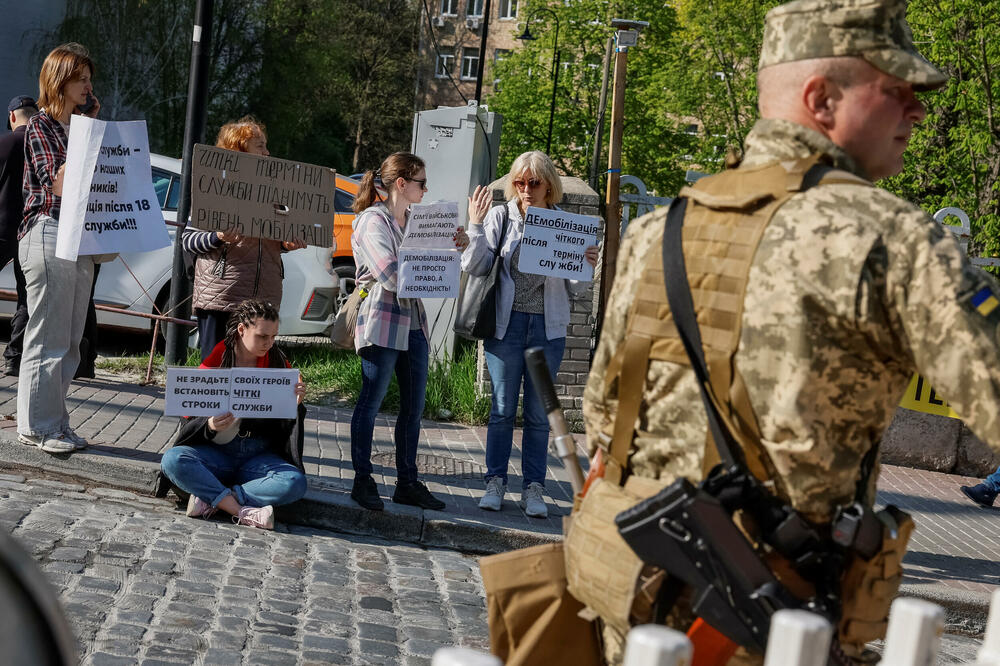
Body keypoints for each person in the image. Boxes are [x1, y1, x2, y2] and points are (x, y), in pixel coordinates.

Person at [582, 0, 1000, 662]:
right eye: (897, 90)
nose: (918, 111)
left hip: (630, 612)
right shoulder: (891, 240)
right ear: (821, 99)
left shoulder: (653, 231)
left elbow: (605, 427)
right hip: (774, 632)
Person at [462, 151, 599, 518]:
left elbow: (576, 290)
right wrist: (475, 227)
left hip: (547, 328)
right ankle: (495, 482)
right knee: (503, 409)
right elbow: (476, 267)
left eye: (534, 182)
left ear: (549, 185)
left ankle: (534, 488)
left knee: (539, 414)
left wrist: (586, 267)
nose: (526, 189)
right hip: (506, 327)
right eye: (520, 182)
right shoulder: (500, 216)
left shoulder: (563, 224)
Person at [349, 151, 468, 512]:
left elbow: (437, 266)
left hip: (413, 322)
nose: (426, 189)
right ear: (401, 183)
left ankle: (408, 482)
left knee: (414, 408)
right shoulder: (374, 221)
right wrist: (431, 268)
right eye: (421, 182)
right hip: (382, 321)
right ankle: (362, 479)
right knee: (371, 402)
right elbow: (389, 275)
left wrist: (455, 247)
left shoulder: (418, 220)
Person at [17, 43, 101, 454]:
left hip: (80, 238)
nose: (88, 86)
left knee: (70, 338)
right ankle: (36, 426)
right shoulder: (42, 127)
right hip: (48, 230)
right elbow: (59, 184)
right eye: (81, 79)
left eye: (89, 79)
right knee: (47, 335)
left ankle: (56, 421)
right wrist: (86, 136)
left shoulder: (76, 126)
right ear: (61, 81)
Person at [159, 299, 308, 531]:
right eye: (262, 336)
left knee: (295, 482)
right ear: (241, 329)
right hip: (216, 454)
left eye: (273, 337)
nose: (269, 343)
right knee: (173, 460)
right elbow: (189, 416)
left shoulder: (278, 363)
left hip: (258, 456)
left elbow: (284, 430)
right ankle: (241, 510)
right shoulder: (217, 358)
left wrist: (295, 405)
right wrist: (209, 425)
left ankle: (213, 498)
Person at [182, 116, 306, 361]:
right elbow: (188, 240)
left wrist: (286, 244)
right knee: (216, 369)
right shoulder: (214, 188)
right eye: (260, 146)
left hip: (262, 300)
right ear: (238, 150)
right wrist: (217, 237)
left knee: (251, 371)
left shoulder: (275, 192)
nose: (267, 152)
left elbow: (273, 240)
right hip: (222, 297)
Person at [0, 95, 36, 376]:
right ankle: (15, 357)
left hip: (1, 227)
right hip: (31, 231)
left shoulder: (6, 143)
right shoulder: (42, 148)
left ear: (12, 116)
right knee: (27, 297)